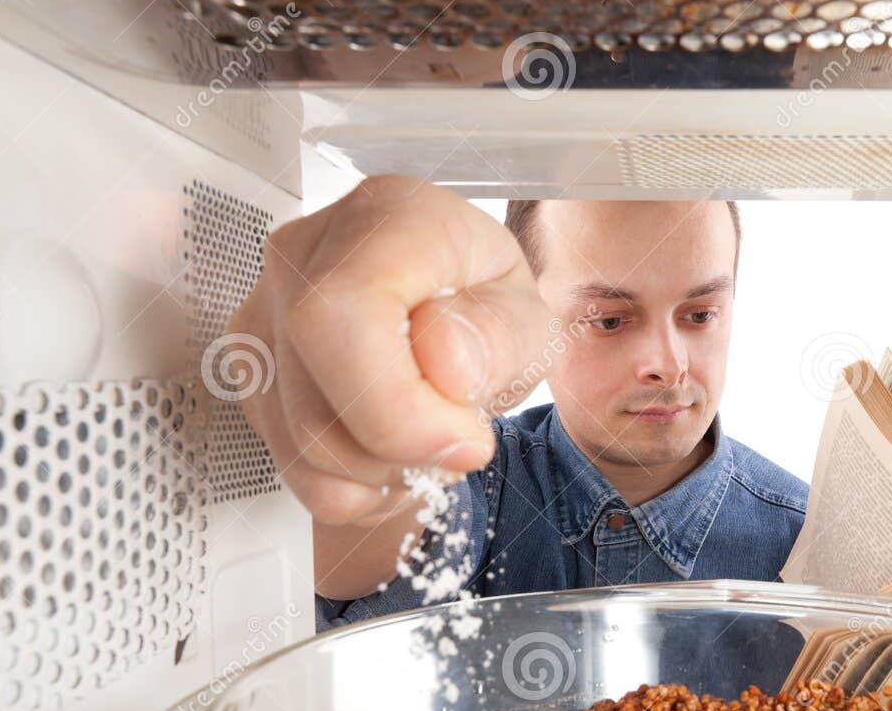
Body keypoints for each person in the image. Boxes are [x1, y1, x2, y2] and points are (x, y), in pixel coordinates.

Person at [225, 177, 808, 627]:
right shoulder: (470, 481)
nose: (670, 362)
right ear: (530, 311)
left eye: (700, 314)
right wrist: (370, 395)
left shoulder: (804, 541)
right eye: (609, 320)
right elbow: (354, 545)